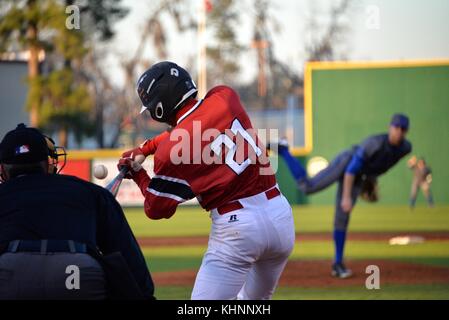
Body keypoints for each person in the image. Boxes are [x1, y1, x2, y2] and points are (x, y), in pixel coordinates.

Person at [117, 61, 295, 300]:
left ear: (161, 107)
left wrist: (137, 173)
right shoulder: (225, 97)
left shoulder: (170, 151)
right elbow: (195, 126)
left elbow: (156, 208)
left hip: (237, 229)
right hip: (280, 215)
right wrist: (146, 148)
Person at [0, 124, 154, 300]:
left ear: (2, 170)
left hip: (9, 275)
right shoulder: (91, 193)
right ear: (46, 163)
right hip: (79, 275)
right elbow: (135, 270)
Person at [270, 114, 412, 278]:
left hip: (361, 174)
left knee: (342, 218)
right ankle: (284, 149)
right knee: (308, 187)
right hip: (348, 163)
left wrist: (371, 180)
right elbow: (351, 169)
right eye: (397, 127)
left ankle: (338, 263)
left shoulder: (405, 148)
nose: (399, 132)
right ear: (390, 127)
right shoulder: (375, 143)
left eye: (403, 129)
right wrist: (346, 197)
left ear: (406, 131)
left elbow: (380, 163)